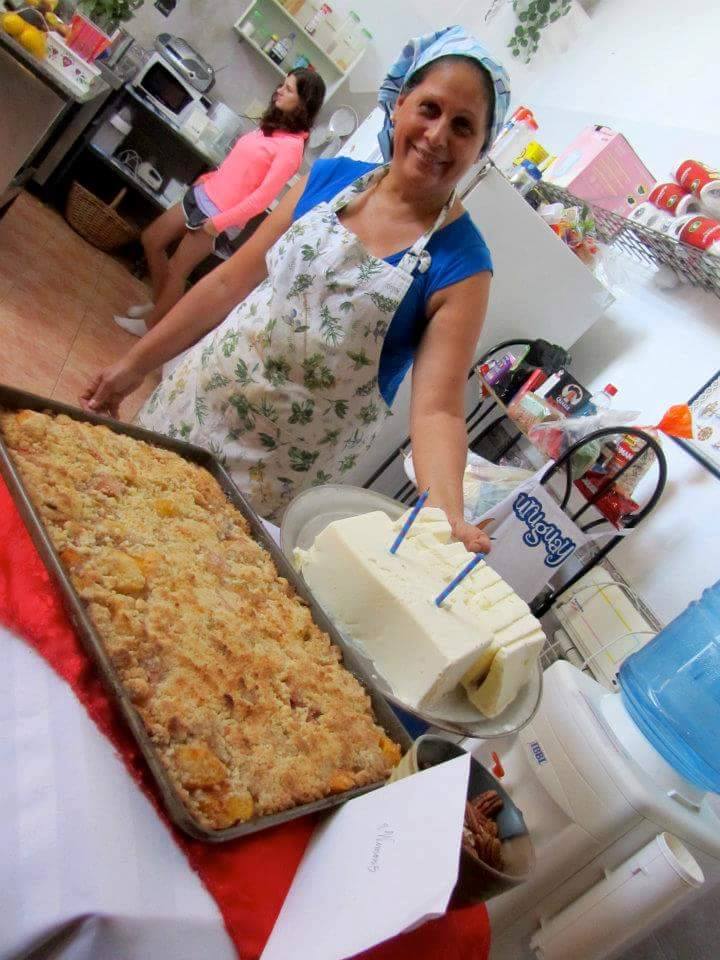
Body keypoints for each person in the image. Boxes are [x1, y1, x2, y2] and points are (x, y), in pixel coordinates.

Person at [82, 25, 511, 555]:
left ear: (482, 148)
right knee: (103, 530)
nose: (438, 136)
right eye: (430, 109)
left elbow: (437, 410)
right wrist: (133, 365)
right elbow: (228, 283)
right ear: (400, 103)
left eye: (463, 126)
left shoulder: (462, 265)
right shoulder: (328, 179)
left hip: (270, 480)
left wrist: (446, 517)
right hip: (191, 406)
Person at [115, 68, 326, 337]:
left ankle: (152, 326)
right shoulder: (274, 125)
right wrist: (210, 176)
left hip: (220, 216)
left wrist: (219, 223)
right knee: (152, 239)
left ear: (304, 103)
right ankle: (159, 306)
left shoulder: (291, 148)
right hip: (204, 193)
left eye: (288, 89)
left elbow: (261, 199)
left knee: (178, 269)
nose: (279, 91)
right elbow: (242, 165)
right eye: (282, 85)